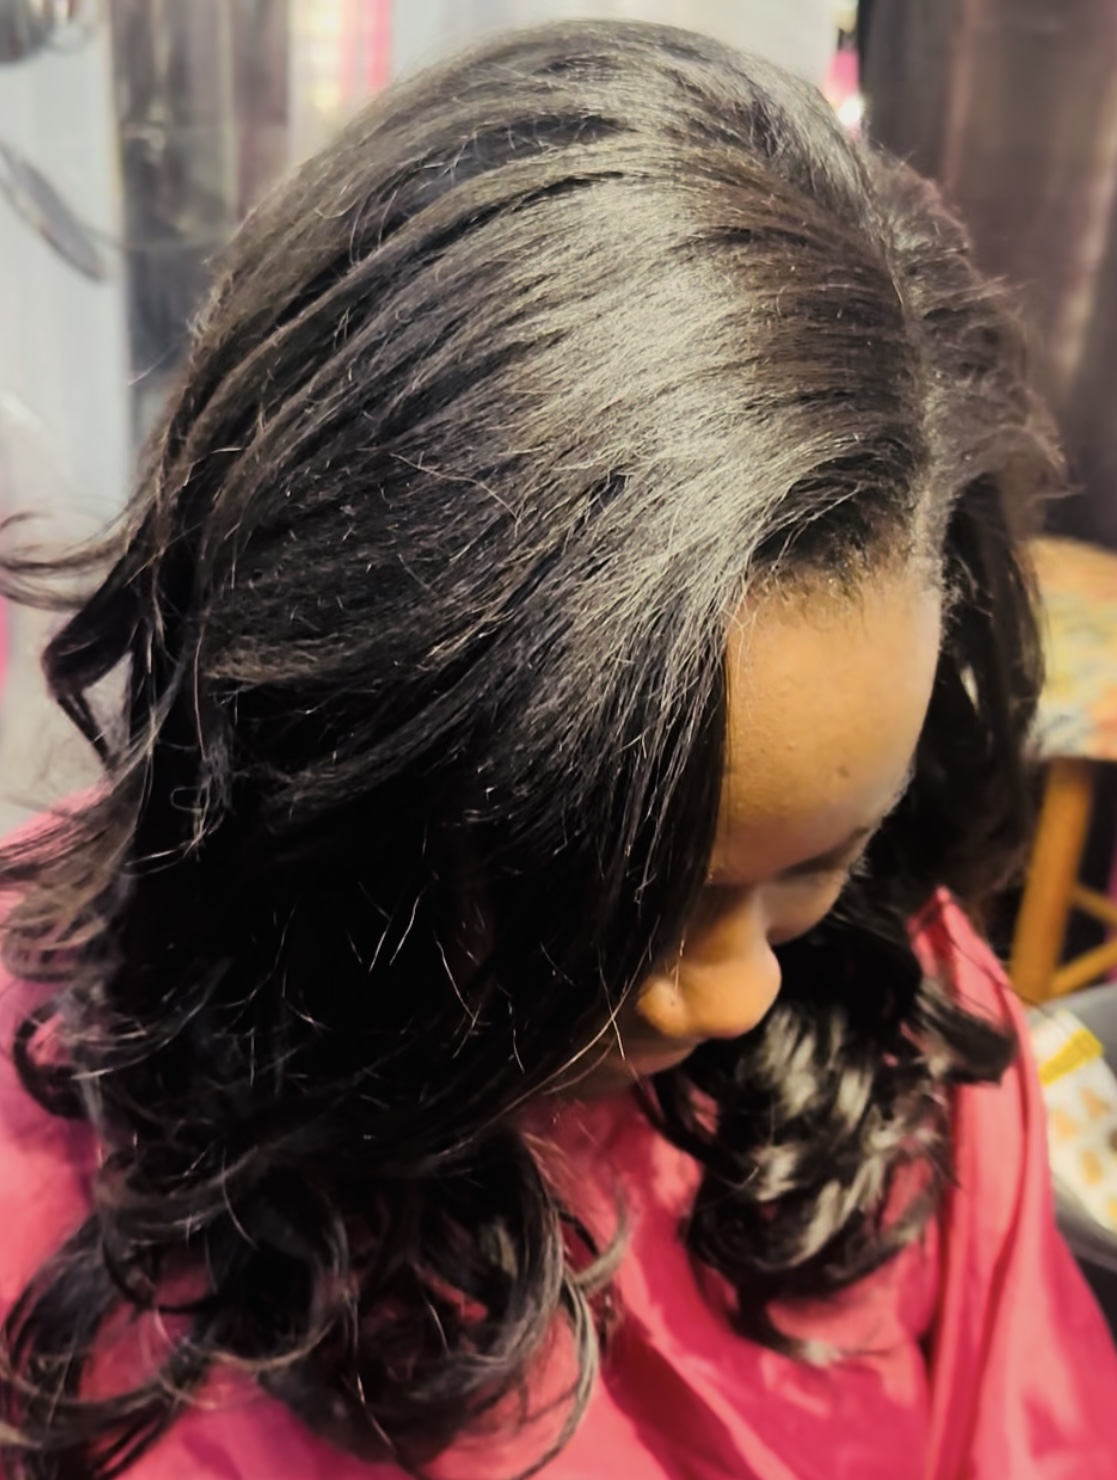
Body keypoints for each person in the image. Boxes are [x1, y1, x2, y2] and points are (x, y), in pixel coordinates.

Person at [1, 19, 1115, 1480]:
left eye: (814, 865)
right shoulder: (42, 1139)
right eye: (613, 892)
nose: (735, 993)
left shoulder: (891, 1018)